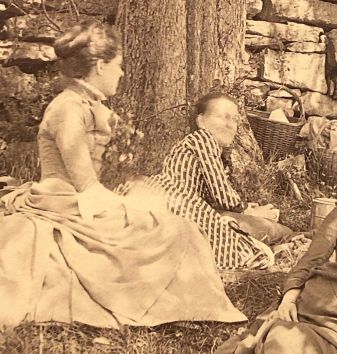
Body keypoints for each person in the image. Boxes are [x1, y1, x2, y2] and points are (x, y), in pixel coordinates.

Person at [0, 22, 251, 328]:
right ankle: (168, 303)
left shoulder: (86, 104)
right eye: (118, 66)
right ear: (100, 66)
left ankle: (181, 301)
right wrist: (137, 206)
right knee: (173, 230)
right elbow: (85, 185)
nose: (121, 74)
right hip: (67, 203)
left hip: (81, 200)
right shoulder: (68, 109)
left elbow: (100, 176)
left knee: (173, 223)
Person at [140, 92, 292, 270]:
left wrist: (247, 209)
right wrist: (249, 211)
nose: (230, 124)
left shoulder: (202, 147)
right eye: (221, 116)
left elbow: (214, 198)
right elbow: (222, 195)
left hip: (187, 215)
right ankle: (293, 239)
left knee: (259, 224)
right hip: (184, 216)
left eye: (234, 119)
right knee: (276, 229)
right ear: (201, 121)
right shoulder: (202, 139)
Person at [215, 207, 337, 354]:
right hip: (310, 306)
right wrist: (289, 299)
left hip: (330, 326)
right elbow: (311, 260)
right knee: (282, 339)